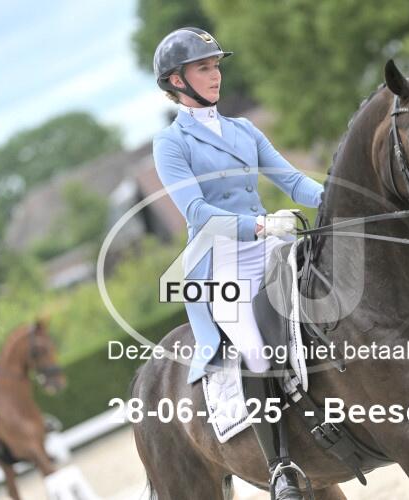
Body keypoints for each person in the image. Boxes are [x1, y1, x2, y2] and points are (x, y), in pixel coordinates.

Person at [152, 27, 324, 500]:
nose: (216, 75)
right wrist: (262, 225)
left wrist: (340, 196)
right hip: (219, 262)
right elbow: (197, 213)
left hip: (270, 243)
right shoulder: (171, 143)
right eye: (203, 68)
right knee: (255, 350)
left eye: (216, 66)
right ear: (177, 81)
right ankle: (281, 467)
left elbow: (293, 181)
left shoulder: (244, 130)